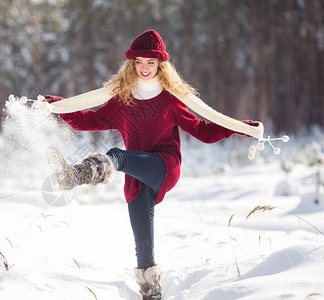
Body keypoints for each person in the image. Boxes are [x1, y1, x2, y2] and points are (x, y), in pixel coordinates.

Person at [42, 29, 259, 300]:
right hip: (135, 177)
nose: (145, 68)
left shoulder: (171, 100)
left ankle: (83, 172)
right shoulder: (122, 100)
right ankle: (151, 290)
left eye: (151, 62)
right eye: (139, 62)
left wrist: (237, 128)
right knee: (143, 245)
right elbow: (89, 120)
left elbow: (203, 130)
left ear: (161, 65)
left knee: (116, 155)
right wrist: (60, 107)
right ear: (131, 65)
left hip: (164, 166)